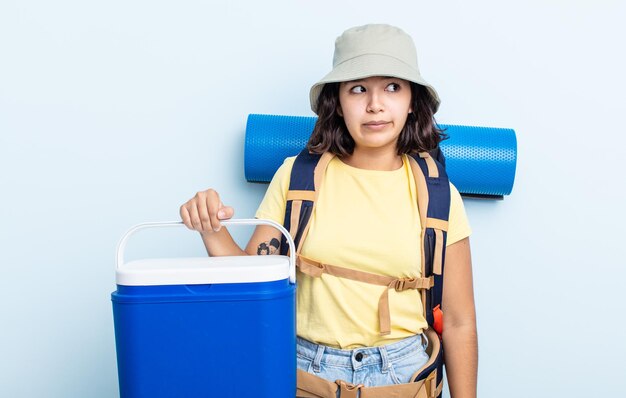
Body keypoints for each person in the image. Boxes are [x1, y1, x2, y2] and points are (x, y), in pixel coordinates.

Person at [180, 24, 477, 397]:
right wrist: (211, 228)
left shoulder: (438, 195)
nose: (375, 104)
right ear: (337, 101)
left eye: (392, 87)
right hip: (305, 373)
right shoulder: (296, 176)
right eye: (358, 89)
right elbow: (249, 284)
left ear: (412, 100)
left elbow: (459, 321)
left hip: (404, 377)